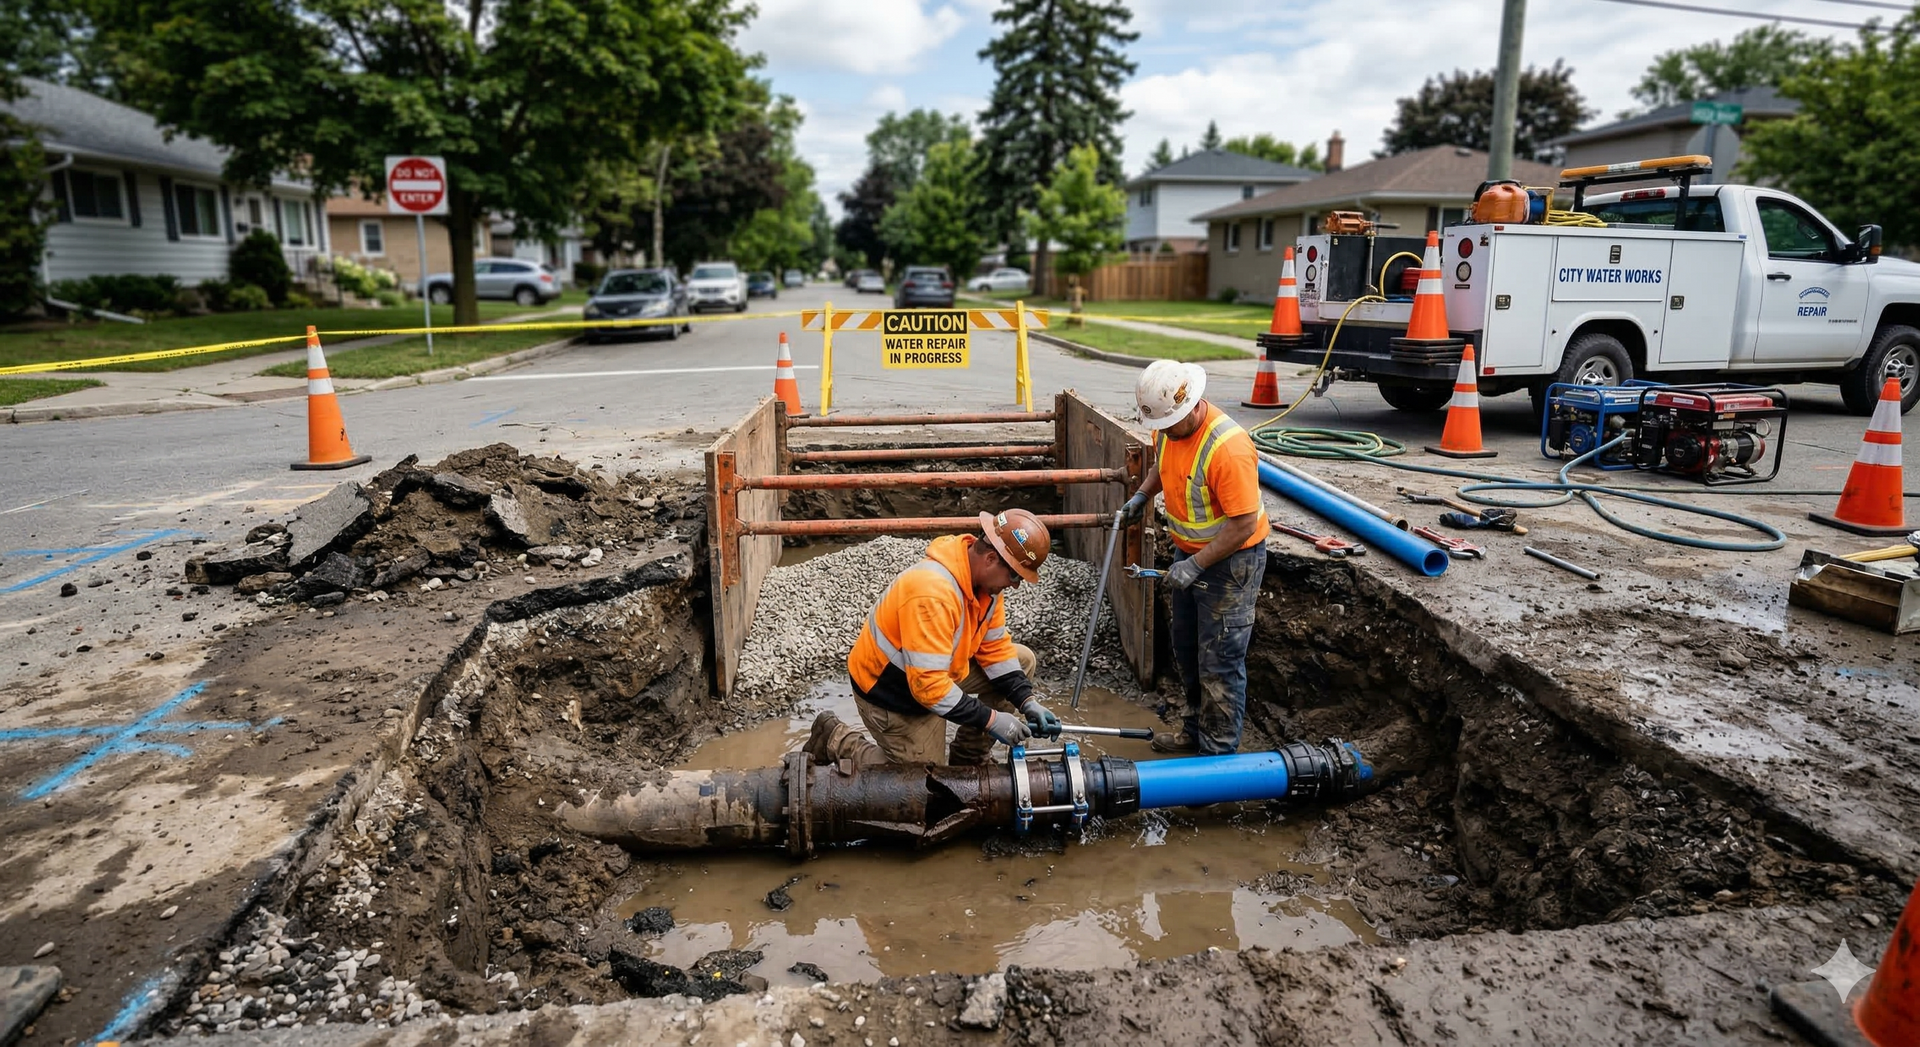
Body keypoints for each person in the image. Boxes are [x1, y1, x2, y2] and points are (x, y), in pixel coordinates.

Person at [803, 508, 1063, 766]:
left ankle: (968, 759)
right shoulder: (932, 593)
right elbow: (928, 687)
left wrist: (1027, 701)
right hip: (892, 692)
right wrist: (991, 720)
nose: (1016, 584)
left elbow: (994, 647)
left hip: (934, 672)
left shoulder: (987, 588)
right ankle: (836, 738)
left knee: (1023, 660)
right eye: (1015, 575)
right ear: (991, 558)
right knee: (926, 785)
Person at [1123, 360, 1270, 755]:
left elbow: (1241, 525)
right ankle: (1194, 732)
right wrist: (1142, 494)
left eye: (1171, 423)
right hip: (1189, 554)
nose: (1166, 431)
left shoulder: (1228, 448)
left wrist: (1196, 564)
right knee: (1188, 650)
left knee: (1219, 662)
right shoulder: (1171, 430)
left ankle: (1216, 758)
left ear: (1192, 406)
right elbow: (1163, 466)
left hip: (1232, 563)